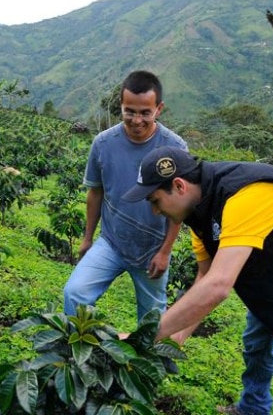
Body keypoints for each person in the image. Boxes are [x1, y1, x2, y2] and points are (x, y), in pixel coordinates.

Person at [122, 146, 273, 415]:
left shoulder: (245, 194)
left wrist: (140, 338)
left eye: (155, 201)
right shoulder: (198, 214)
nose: (155, 211)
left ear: (179, 186)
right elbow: (205, 277)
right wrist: (173, 339)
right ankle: (253, 408)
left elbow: (218, 285)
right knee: (255, 346)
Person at [63, 70, 188, 322]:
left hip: (152, 249)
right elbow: (95, 192)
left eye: (145, 112)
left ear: (159, 109)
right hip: (111, 242)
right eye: (129, 111)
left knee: (151, 321)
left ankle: (148, 360)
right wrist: (87, 238)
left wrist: (165, 251)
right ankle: (79, 354)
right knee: (74, 293)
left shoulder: (175, 148)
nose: (137, 119)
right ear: (120, 106)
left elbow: (180, 207)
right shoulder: (103, 143)